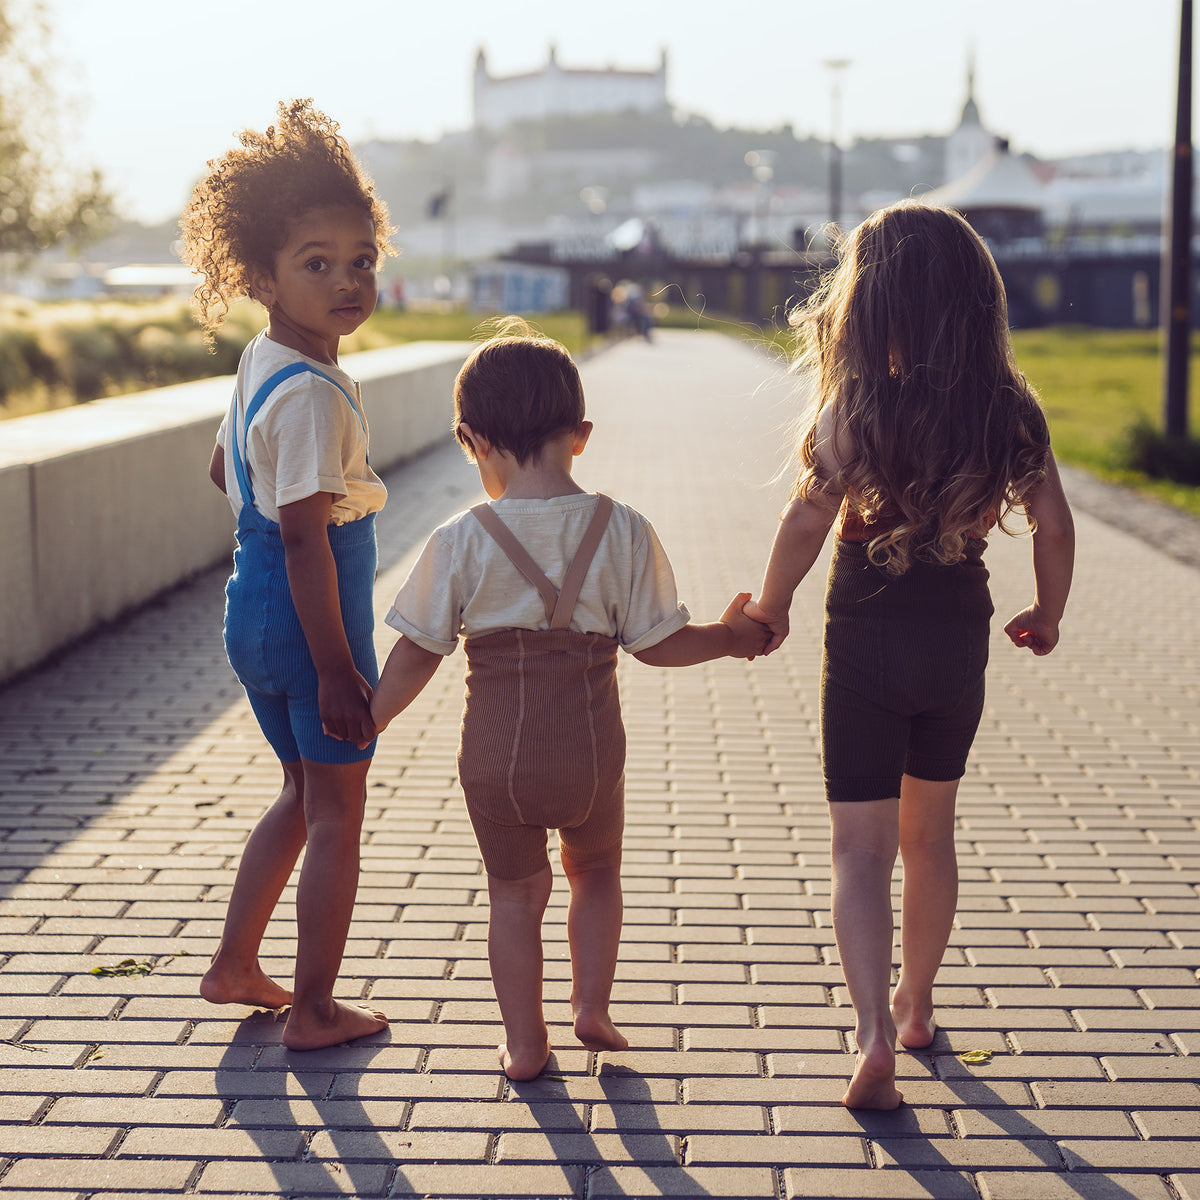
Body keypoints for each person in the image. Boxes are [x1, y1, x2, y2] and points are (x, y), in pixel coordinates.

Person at [369, 319, 768, 1080]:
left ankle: (525, 1045)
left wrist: (372, 718)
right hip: (591, 755)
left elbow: (419, 647)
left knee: (515, 896)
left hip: (495, 759)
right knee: (597, 874)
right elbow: (657, 644)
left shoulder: (460, 537)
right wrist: (729, 635)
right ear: (579, 434)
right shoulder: (623, 529)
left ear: (471, 439)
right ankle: (592, 1007)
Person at [744, 201, 1075, 1110]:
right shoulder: (1007, 409)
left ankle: (872, 1036)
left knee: (860, 849)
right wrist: (1047, 612)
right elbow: (1051, 523)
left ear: (867, 304)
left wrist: (768, 609)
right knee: (931, 837)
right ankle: (919, 1004)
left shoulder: (857, 407)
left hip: (865, 634)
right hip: (956, 635)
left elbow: (807, 519)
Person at [181, 99, 397, 1051]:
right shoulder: (310, 392)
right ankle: (313, 1008)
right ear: (262, 275)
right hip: (310, 622)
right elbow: (309, 542)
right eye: (317, 263)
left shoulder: (264, 362)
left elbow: (223, 468)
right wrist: (340, 669)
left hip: (250, 610)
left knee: (300, 794)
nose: (346, 280)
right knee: (339, 808)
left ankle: (235, 965)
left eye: (361, 261)